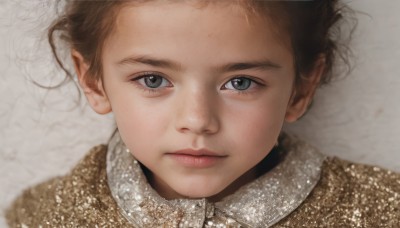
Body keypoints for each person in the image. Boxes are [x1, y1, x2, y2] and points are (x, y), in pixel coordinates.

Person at [5, 0, 400, 227]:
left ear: (301, 88)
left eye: (241, 82)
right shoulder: (42, 216)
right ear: (93, 80)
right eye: (153, 80)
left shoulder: (382, 212)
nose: (197, 121)